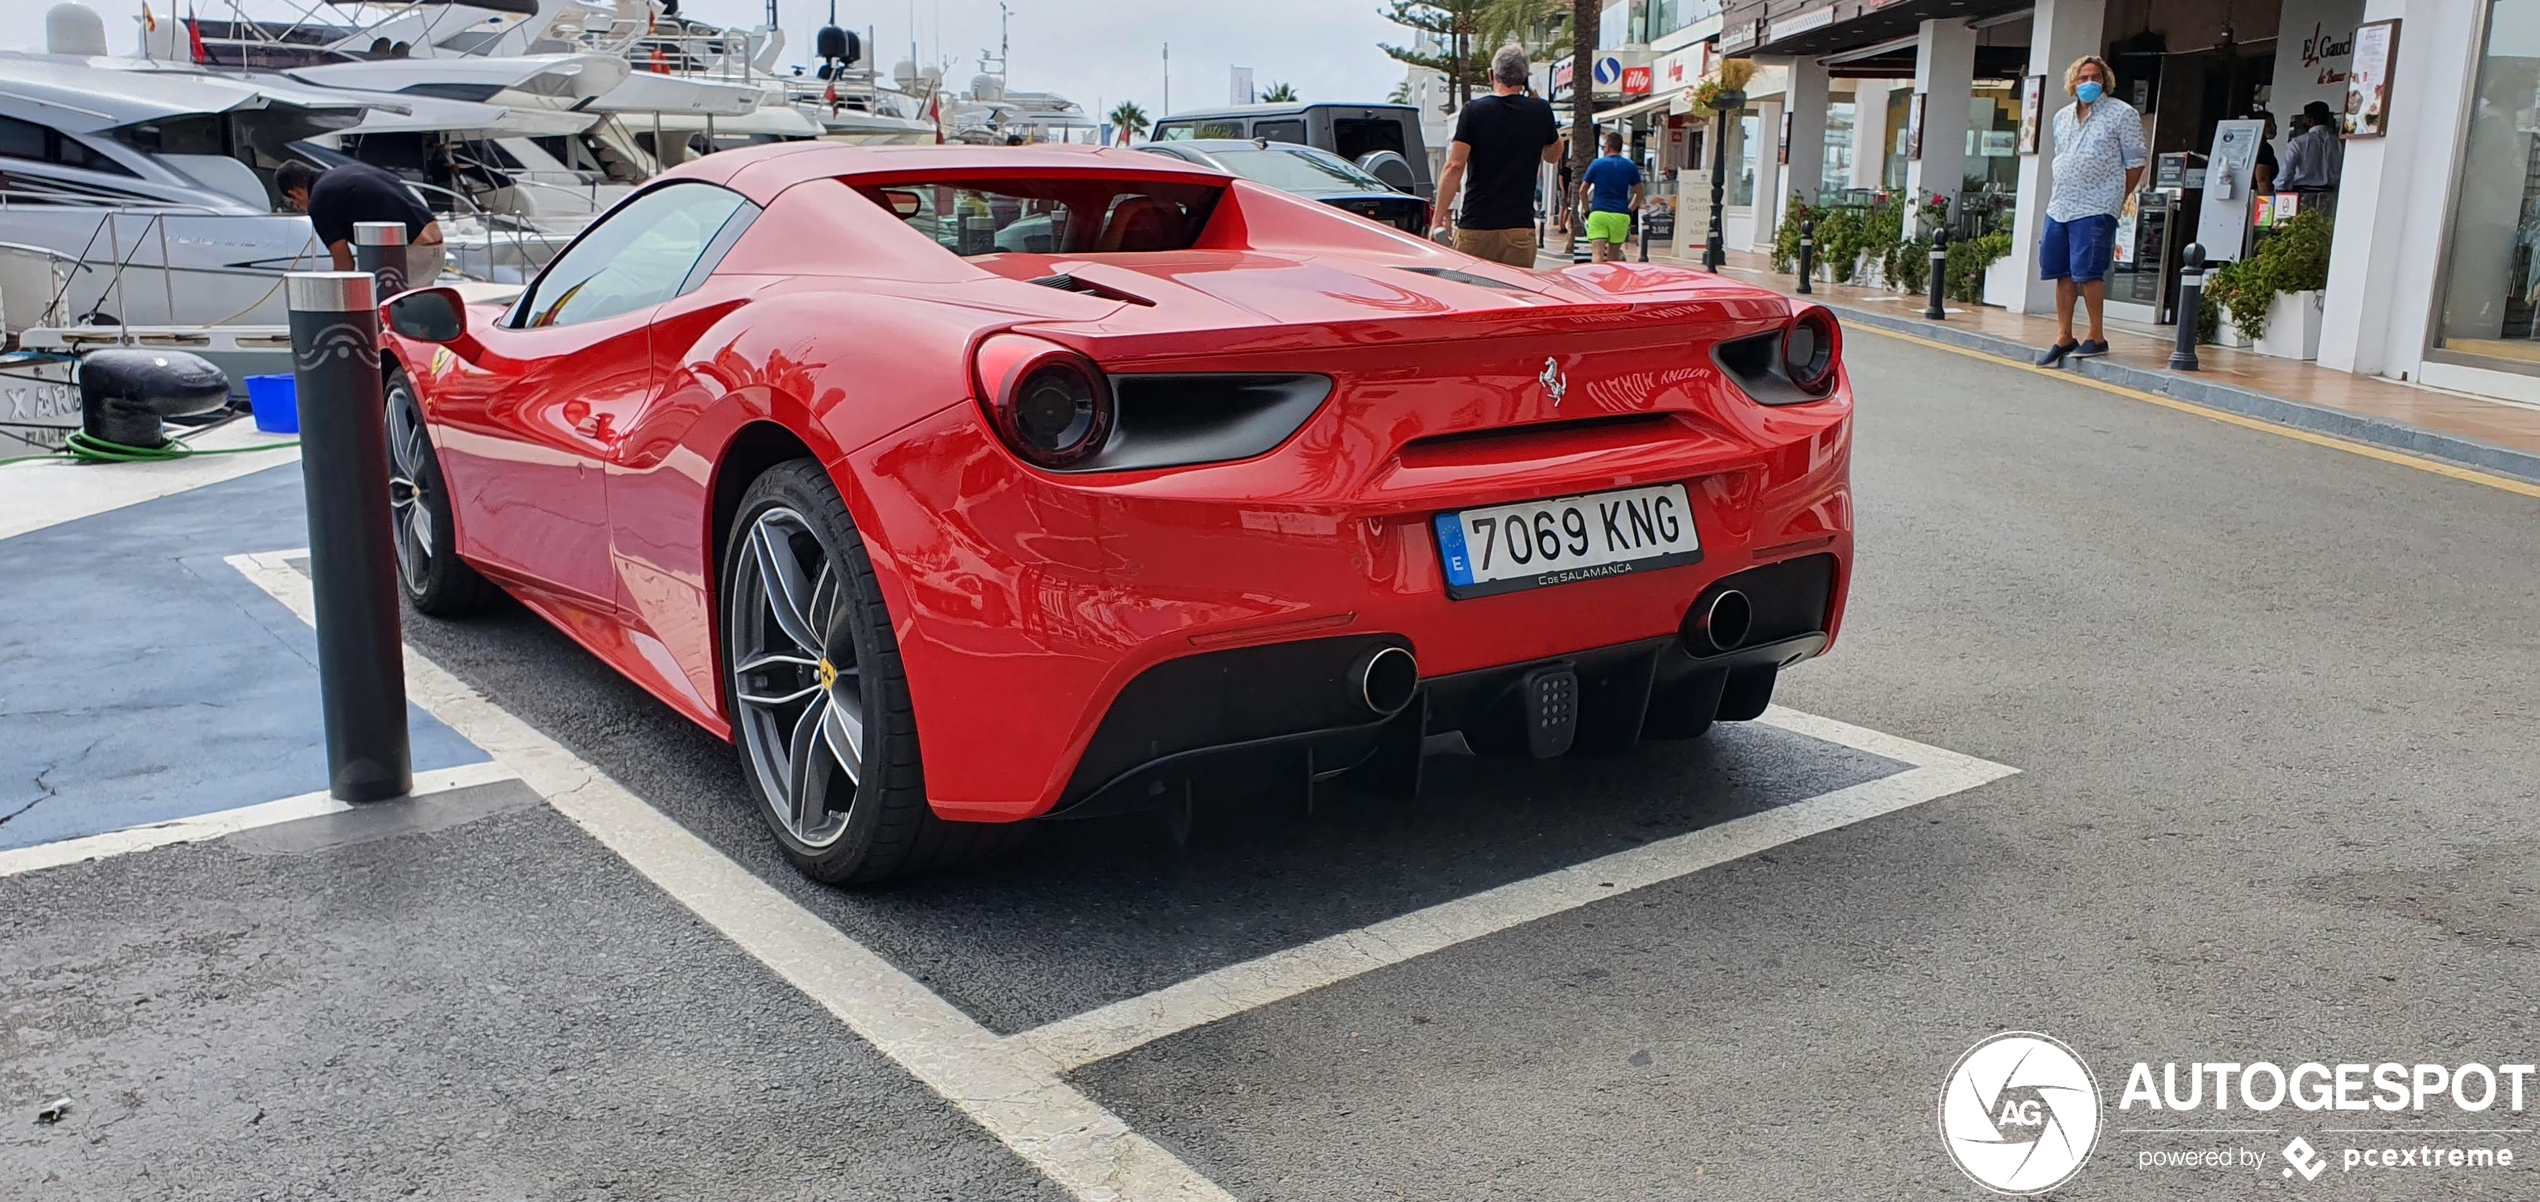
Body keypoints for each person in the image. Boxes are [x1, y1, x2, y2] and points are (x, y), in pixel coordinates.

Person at [2033, 55, 2145, 367]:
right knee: (2061, 272)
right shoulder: (2062, 117)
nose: (2089, 83)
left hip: (2096, 205)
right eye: (2083, 78)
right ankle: (2063, 335)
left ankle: (2096, 335)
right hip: (2061, 204)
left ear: (2105, 81)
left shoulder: (2122, 114)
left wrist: (2116, 198)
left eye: (2095, 77)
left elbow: (2135, 162)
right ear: (2073, 82)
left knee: (2089, 272)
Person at [1431, 43, 1564, 268]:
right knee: (1515, 297)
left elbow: (1454, 166)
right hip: (1519, 229)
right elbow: (1553, 155)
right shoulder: (1540, 110)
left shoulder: (1473, 111)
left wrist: (1436, 221)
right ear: (1525, 79)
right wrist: (1542, 111)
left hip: (1476, 226)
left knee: (1471, 296)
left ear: (1491, 75)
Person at [275, 159, 445, 287]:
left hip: (412, 254)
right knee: (418, 321)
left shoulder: (319, 202)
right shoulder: (344, 172)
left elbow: (345, 264)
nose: (300, 207)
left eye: (296, 203)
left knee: (382, 318)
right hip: (435, 245)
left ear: (295, 193)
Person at [1579, 131, 1643, 263]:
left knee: (1597, 253)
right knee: (1614, 257)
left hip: (1599, 214)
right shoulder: (1630, 166)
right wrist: (1630, 209)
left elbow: (1582, 191)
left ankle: (1597, 281)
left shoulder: (1597, 164)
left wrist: (1586, 211)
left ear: (1607, 147)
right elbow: (1640, 193)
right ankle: (1612, 282)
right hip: (1620, 214)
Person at [2281, 99, 2344, 195]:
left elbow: (2286, 174)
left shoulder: (2298, 142)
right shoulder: (2338, 142)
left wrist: (2279, 190)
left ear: (2309, 120)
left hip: (2303, 194)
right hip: (2332, 194)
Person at [2251, 111, 2279, 196]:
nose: (2273, 127)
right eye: (2268, 125)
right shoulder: (2264, 148)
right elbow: (2262, 178)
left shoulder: (2251, 145)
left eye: (2274, 123)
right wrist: (2267, 201)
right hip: (2257, 195)